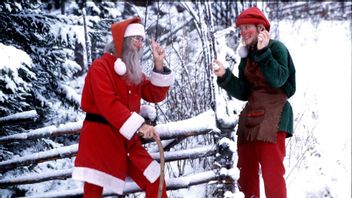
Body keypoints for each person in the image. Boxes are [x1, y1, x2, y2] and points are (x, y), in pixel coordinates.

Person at [72, 17, 174, 198]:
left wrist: (159, 63)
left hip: (128, 143)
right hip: (101, 142)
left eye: (141, 40)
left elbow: (154, 94)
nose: (139, 44)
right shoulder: (100, 67)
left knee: (155, 178)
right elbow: (109, 104)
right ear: (122, 40)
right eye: (136, 38)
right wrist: (139, 126)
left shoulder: (132, 71)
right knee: (93, 192)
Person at [213, 7, 296, 198]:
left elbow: (279, 80)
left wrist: (264, 51)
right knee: (246, 177)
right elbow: (244, 92)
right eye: (240, 29)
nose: (242, 32)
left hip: (275, 118)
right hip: (249, 119)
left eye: (247, 27)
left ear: (260, 28)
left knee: (272, 175)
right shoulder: (246, 57)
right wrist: (225, 76)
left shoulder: (277, 48)